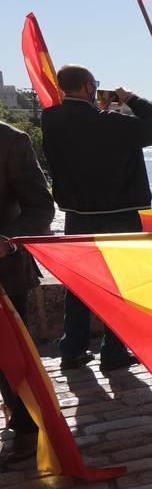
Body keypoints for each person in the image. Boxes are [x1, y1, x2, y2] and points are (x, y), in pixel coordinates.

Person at [41, 65, 152, 370]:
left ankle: (72, 349)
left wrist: (101, 111)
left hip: (76, 215)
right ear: (88, 86)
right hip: (119, 216)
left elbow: (84, 129)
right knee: (123, 285)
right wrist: (130, 98)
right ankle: (114, 351)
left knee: (78, 284)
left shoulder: (51, 119)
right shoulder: (114, 124)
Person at [0, 118, 57, 466]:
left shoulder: (10, 140)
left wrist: (6, 241)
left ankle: (25, 429)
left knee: (10, 361)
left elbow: (41, 208)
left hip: (4, 271)